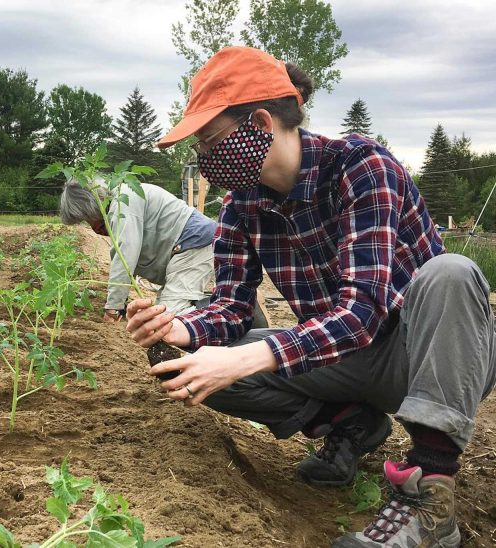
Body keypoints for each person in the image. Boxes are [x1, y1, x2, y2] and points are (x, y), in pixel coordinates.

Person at [126, 46, 495, 547]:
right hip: (349, 359)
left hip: (427, 355)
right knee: (191, 360)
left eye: (210, 143)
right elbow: (232, 306)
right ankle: (349, 424)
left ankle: (431, 499)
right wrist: (182, 328)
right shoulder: (241, 207)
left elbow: (364, 311)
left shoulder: (360, 167)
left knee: (450, 273)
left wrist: (248, 359)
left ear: (259, 122)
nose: (205, 162)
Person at [59, 178, 217, 321]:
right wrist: (121, 299)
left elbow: (125, 254)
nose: (90, 224)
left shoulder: (122, 204)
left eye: (86, 219)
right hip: (186, 246)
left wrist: (113, 306)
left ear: (89, 207)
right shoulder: (118, 203)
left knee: (170, 316)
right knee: (164, 310)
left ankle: (215, 335)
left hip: (193, 241)